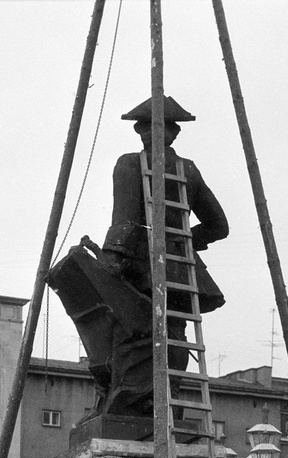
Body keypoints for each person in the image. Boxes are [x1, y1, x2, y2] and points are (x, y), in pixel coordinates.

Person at [49, 95, 228, 419]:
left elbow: (125, 218)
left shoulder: (130, 164)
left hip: (139, 263)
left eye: (150, 128)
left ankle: (127, 405)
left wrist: (112, 260)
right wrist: (184, 243)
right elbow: (218, 226)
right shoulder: (188, 169)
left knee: (128, 326)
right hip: (180, 273)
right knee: (171, 334)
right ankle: (159, 405)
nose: (148, 133)